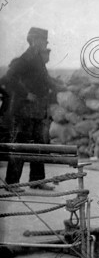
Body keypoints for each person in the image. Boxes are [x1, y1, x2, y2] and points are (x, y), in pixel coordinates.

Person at [3, 27, 54, 191]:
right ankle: (11, 184)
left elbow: (45, 80)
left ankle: (37, 181)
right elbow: (7, 78)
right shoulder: (25, 59)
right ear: (33, 40)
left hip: (37, 112)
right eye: (42, 41)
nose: (44, 44)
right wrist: (25, 94)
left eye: (45, 42)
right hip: (24, 111)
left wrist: (62, 86)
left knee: (39, 145)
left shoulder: (37, 59)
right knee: (20, 145)